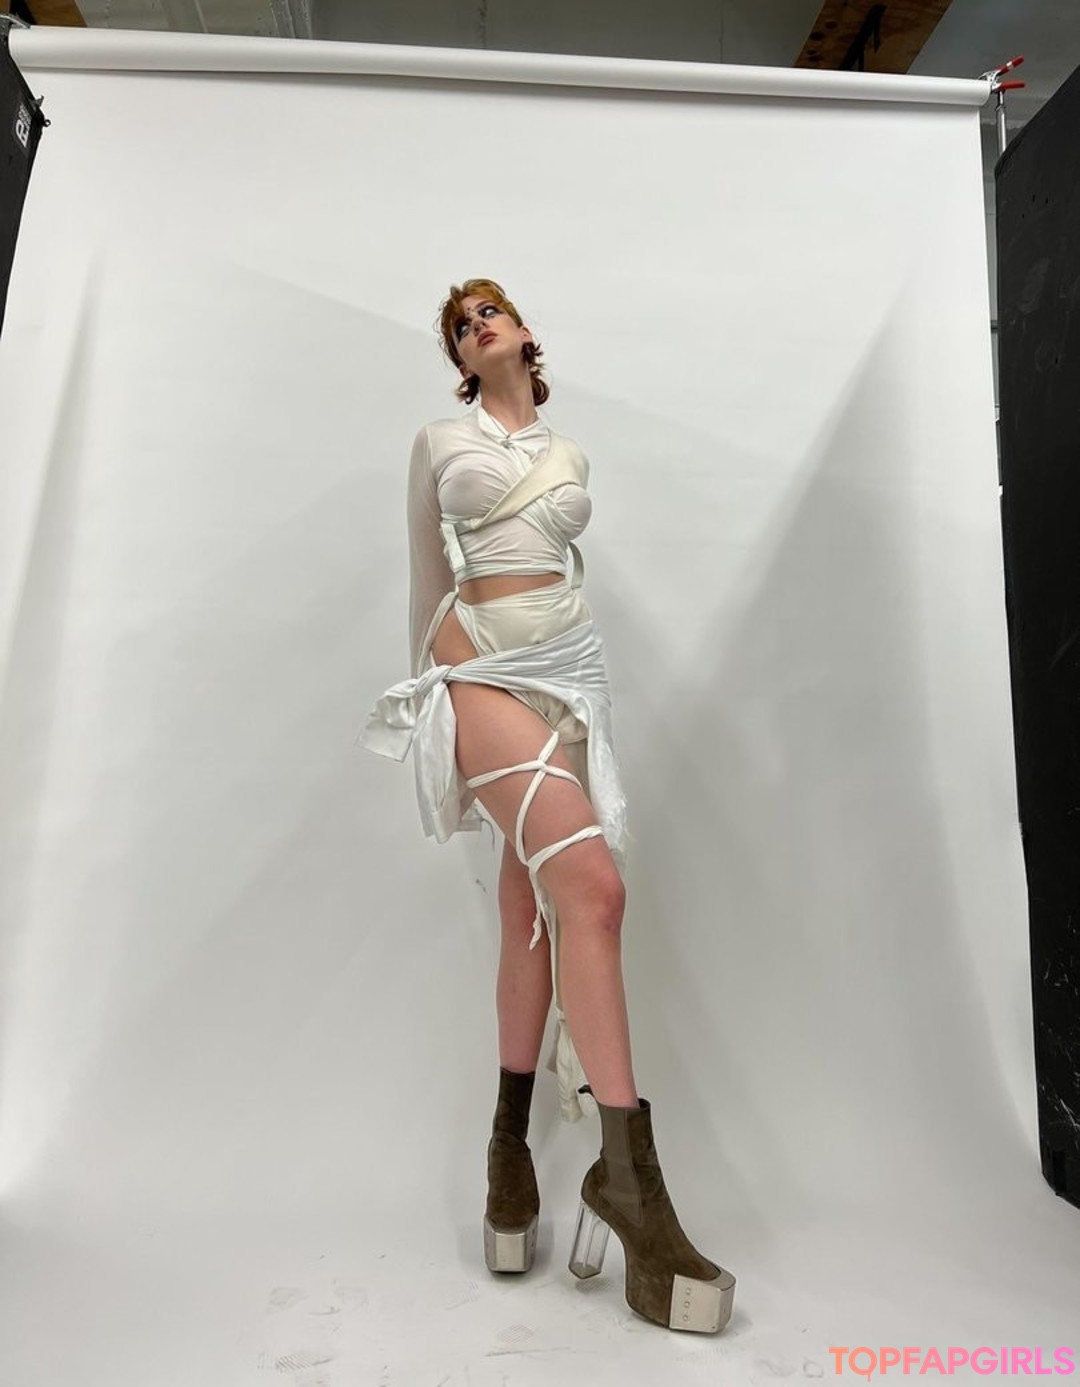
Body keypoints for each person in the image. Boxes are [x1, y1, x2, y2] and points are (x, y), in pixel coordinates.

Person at [361, 278, 735, 1333]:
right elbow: (424, 577)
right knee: (595, 892)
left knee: (531, 909)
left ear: (524, 333)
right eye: (459, 326)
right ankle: (630, 1185)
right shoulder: (439, 442)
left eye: (489, 312)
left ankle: (508, 1151)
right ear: (458, 359)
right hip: (478, 671)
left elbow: (561, 567)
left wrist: (574, 682)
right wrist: (442, 681)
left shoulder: (569, 455)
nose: (476, 326)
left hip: (572, 675)